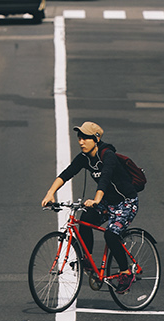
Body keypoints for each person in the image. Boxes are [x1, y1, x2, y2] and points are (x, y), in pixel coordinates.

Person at [42, 121, 138, 293]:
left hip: (126, 202)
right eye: (79, 138)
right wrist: (50, 192)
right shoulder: (84, 158)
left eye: (85, 138)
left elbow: (105, 178)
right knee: (85, 218)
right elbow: (67, 173)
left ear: (96, 139)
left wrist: (96, 199)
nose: (81, 141)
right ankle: (88, 260)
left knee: (111, 234)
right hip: (107, 202)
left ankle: (125, 272)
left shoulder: (107, 154)